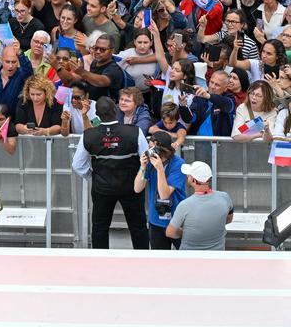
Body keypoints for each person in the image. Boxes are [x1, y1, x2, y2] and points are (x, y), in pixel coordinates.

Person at [72, 96, 150, 249]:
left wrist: (92, 177)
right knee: (138, 226)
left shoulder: (88, 134)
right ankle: (143, 260)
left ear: (97, 114)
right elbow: (146, 157)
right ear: (116, 110)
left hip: (102, 187)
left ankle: (100, 263)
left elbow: (78, 164)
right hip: (131, 187)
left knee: (100, 227)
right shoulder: (134, 131)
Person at [133, 131, 187, 249]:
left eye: (152, 147)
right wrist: (142, 167)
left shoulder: (179, 164)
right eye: (149, 147)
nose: (150, 151)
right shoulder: (150, 163)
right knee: (160, 262)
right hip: (156, 220)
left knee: (185, 259)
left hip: (177, 220)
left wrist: (160, 169)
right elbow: (137, 188)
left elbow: (164, 195)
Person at [167, 161, 234, 250]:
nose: (187, 176)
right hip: (217, 256)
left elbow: (170, 232)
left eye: (189, 175)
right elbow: (228, 220)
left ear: (194, 180)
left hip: (190, 259)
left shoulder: (185, 205)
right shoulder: (225, 197)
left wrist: (185, 232)